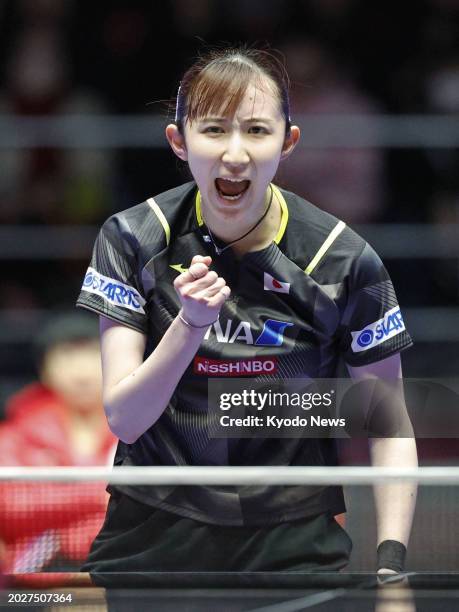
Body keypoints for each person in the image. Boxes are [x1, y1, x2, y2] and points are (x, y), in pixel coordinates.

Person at [76, 46, 417, 582]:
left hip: (294, 541)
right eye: (213, 130)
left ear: (288, 142)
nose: (235, 153)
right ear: (178, 142)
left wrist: (392, 561)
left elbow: (389, 422)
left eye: (257, 130)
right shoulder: (133, 238)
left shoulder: (342, 258)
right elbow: (126, 417)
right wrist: (188, 326)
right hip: (153, 532)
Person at [0, 313, 116, 573]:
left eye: (92, 355)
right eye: (66, 356)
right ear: (44, 370)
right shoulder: (14, 435)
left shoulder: (141, 430)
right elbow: (8, 506)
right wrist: (101, 494)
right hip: (34, 583)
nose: (81, 372)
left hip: (120, 579)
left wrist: (57, 512)